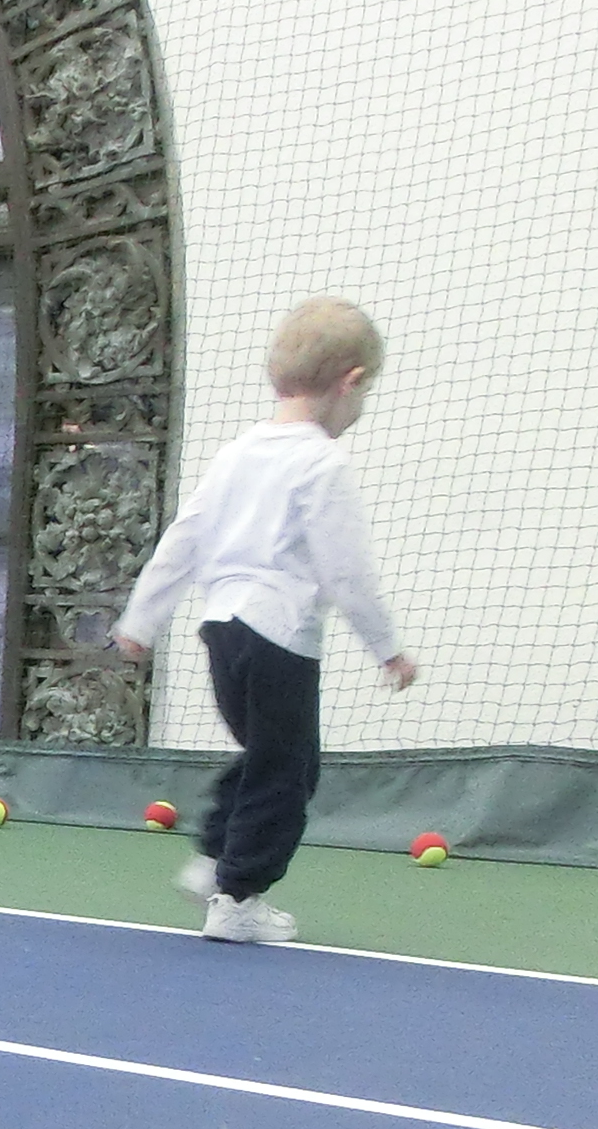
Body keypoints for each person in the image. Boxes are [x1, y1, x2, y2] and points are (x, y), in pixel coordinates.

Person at [110, 297, 417, 945]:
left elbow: (182, 540)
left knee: (270, 756)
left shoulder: (236, 454)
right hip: (280, 636)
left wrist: (142, 620)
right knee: (288, 771)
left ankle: (214, 859)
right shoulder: (322, 462)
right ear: (350, 381)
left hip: (222, 632)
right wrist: (387, 648)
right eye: (366, 395)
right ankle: (238, 898)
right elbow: (346, 571)